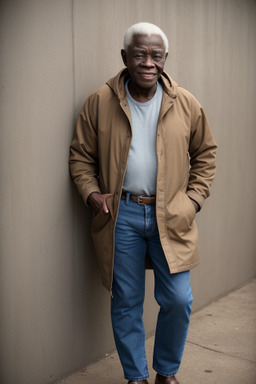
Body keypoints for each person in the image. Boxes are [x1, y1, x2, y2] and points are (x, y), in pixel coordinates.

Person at [69, 22, 217, 384]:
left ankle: (166, 373)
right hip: (122, 215)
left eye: (156, 55)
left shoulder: (186, 103)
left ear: (165, 60)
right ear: (125, 58)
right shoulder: (100, 102)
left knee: (179, 300)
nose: (148, 62)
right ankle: (136, 377)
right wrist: (92, 194)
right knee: (126, 302)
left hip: (173, 215)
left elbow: (206, 154)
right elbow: (80, 157)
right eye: (140, 54)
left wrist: (193, 201)